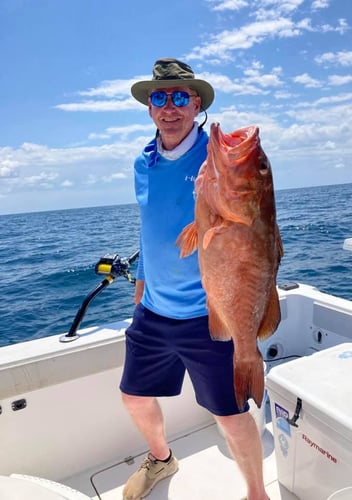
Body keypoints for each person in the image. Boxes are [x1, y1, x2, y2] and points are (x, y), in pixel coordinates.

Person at [120, 58, 269, 500]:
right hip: (153, 314)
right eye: (159, 97)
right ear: (150, 108)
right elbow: (149, 235)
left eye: (180, 97)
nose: (169, 107)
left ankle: (257, 493)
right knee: (134, 397)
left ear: (196, 104)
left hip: (211, 314)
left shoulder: (216, 160)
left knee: (230, 415)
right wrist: (139, 297)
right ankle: (162, 459)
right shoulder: (142, 164)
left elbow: (251, 229)